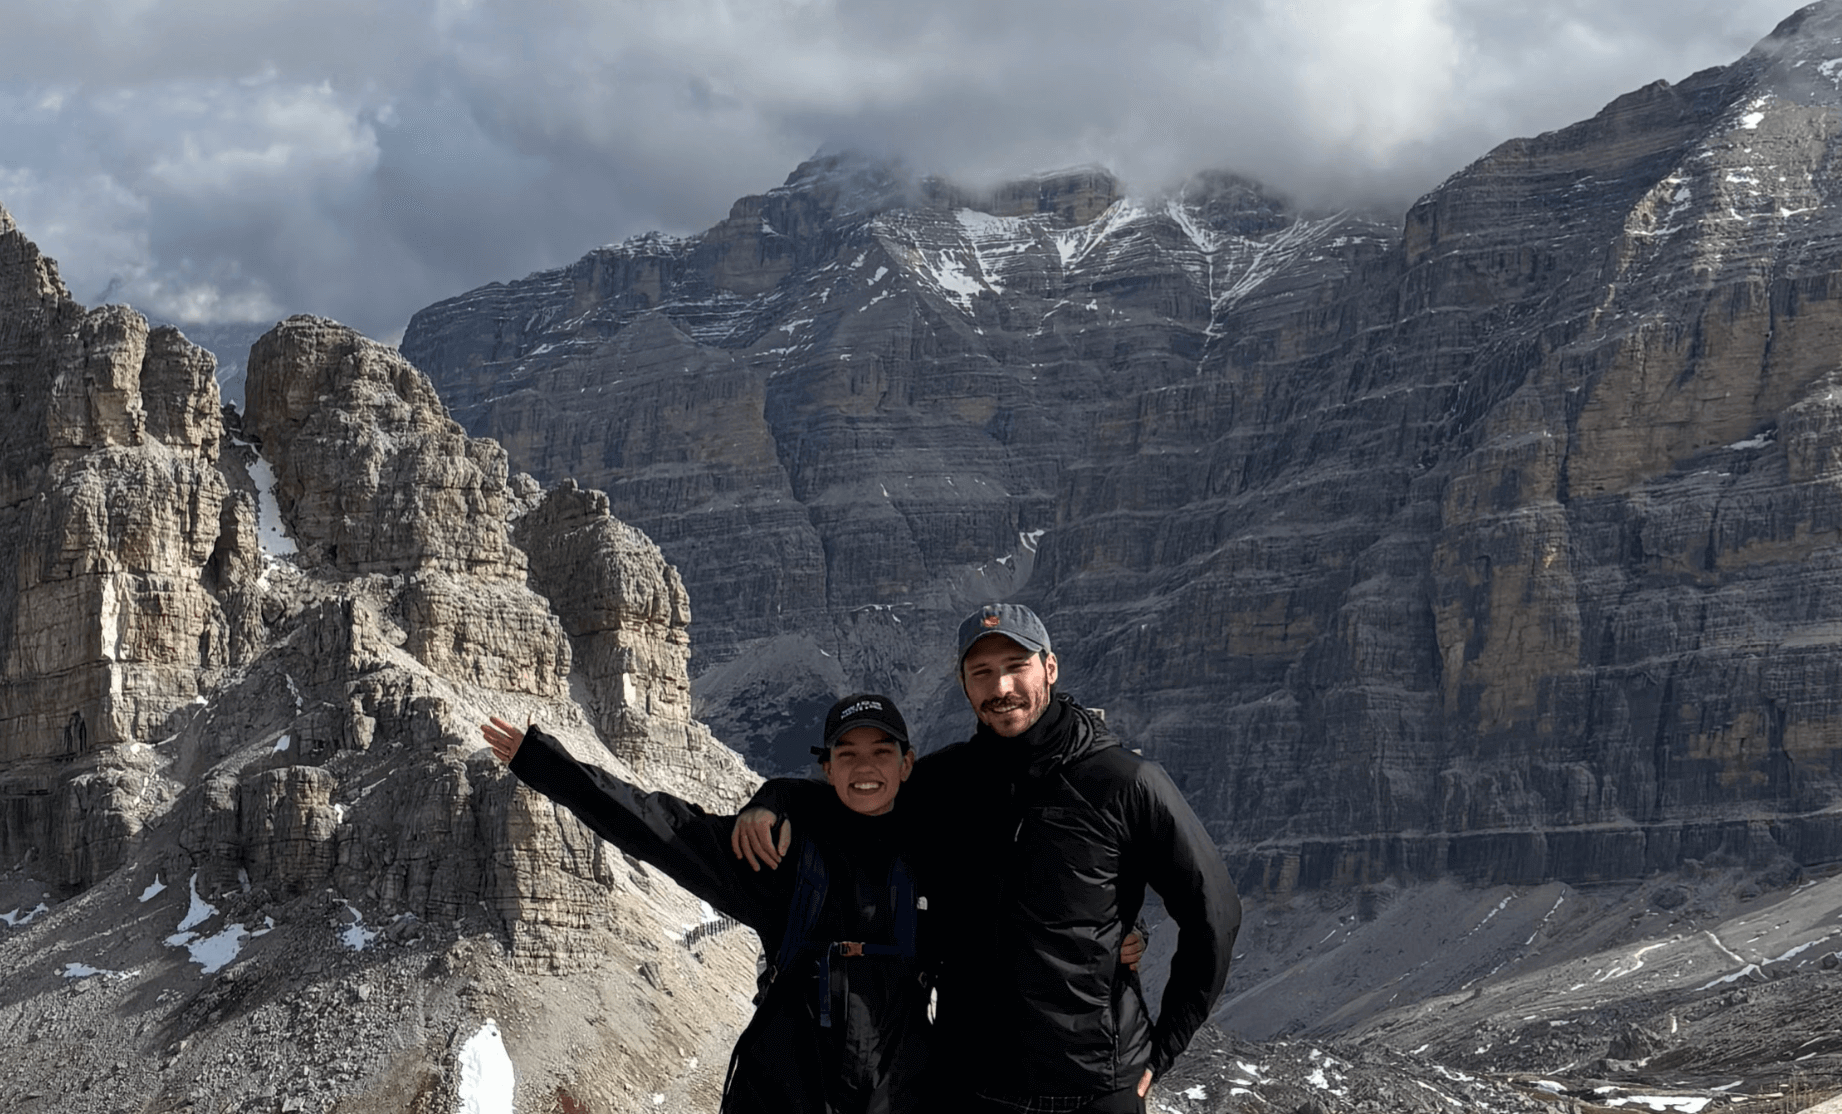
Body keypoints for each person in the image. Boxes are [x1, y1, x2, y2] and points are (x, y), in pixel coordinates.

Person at [733, 603, 1241, 1113]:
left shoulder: (1124, 781)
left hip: (1094, 1090)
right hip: (971, 1087)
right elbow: (860, 793)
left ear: (1051, 667)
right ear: (964, 683)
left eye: (1016, 667)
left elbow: (1213, 914)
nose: (1000, 688)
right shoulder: (943, 782)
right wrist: (776, 798)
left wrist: (1165, 1050)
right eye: (982, 673)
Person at [483, 694, 934, 1113]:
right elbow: (659, 829)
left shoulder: (937, 857)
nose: (864, 767)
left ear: (907, 763)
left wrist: (778, 796)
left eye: (881, 751)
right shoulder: (778, 853)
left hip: (898, 1096)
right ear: (828, 768)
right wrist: (542, 763)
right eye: (847, 754)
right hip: (784, 1094)